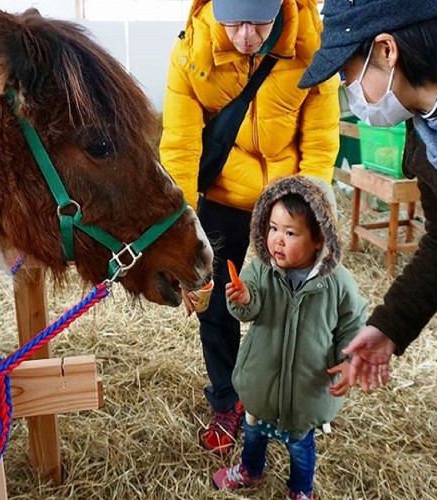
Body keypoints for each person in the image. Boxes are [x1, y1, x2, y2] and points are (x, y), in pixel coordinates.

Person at [160, 0, 340, 455]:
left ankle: (286, 401)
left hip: (287, 205)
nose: (244, 37)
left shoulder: (311, 45)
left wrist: (310, 207)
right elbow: (179, 147)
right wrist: (182, 231)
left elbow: (319, 137)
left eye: (257, 23)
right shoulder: (191, 53)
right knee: (217, 310)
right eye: (233, 23)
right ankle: (226, 401)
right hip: (221, 203)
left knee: (286, 309)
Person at [299, 0, 437, 391]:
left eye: (348, 76)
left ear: (387, 50)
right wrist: (390, 326)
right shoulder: (424, 129)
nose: (349, 92)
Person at [211, 175, 367, 499]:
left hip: (305, 392)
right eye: (272, 228)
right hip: (261, 382)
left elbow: (352, 327)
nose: (277, 240)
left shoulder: (338, 284)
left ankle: (300, 489)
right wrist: (242, 300)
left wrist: (351, 359)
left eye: (290, 232)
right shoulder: (261, 270)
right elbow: (249, 306)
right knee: (253, 431)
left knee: (300, 445)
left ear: (320, 238)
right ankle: (251, 469)